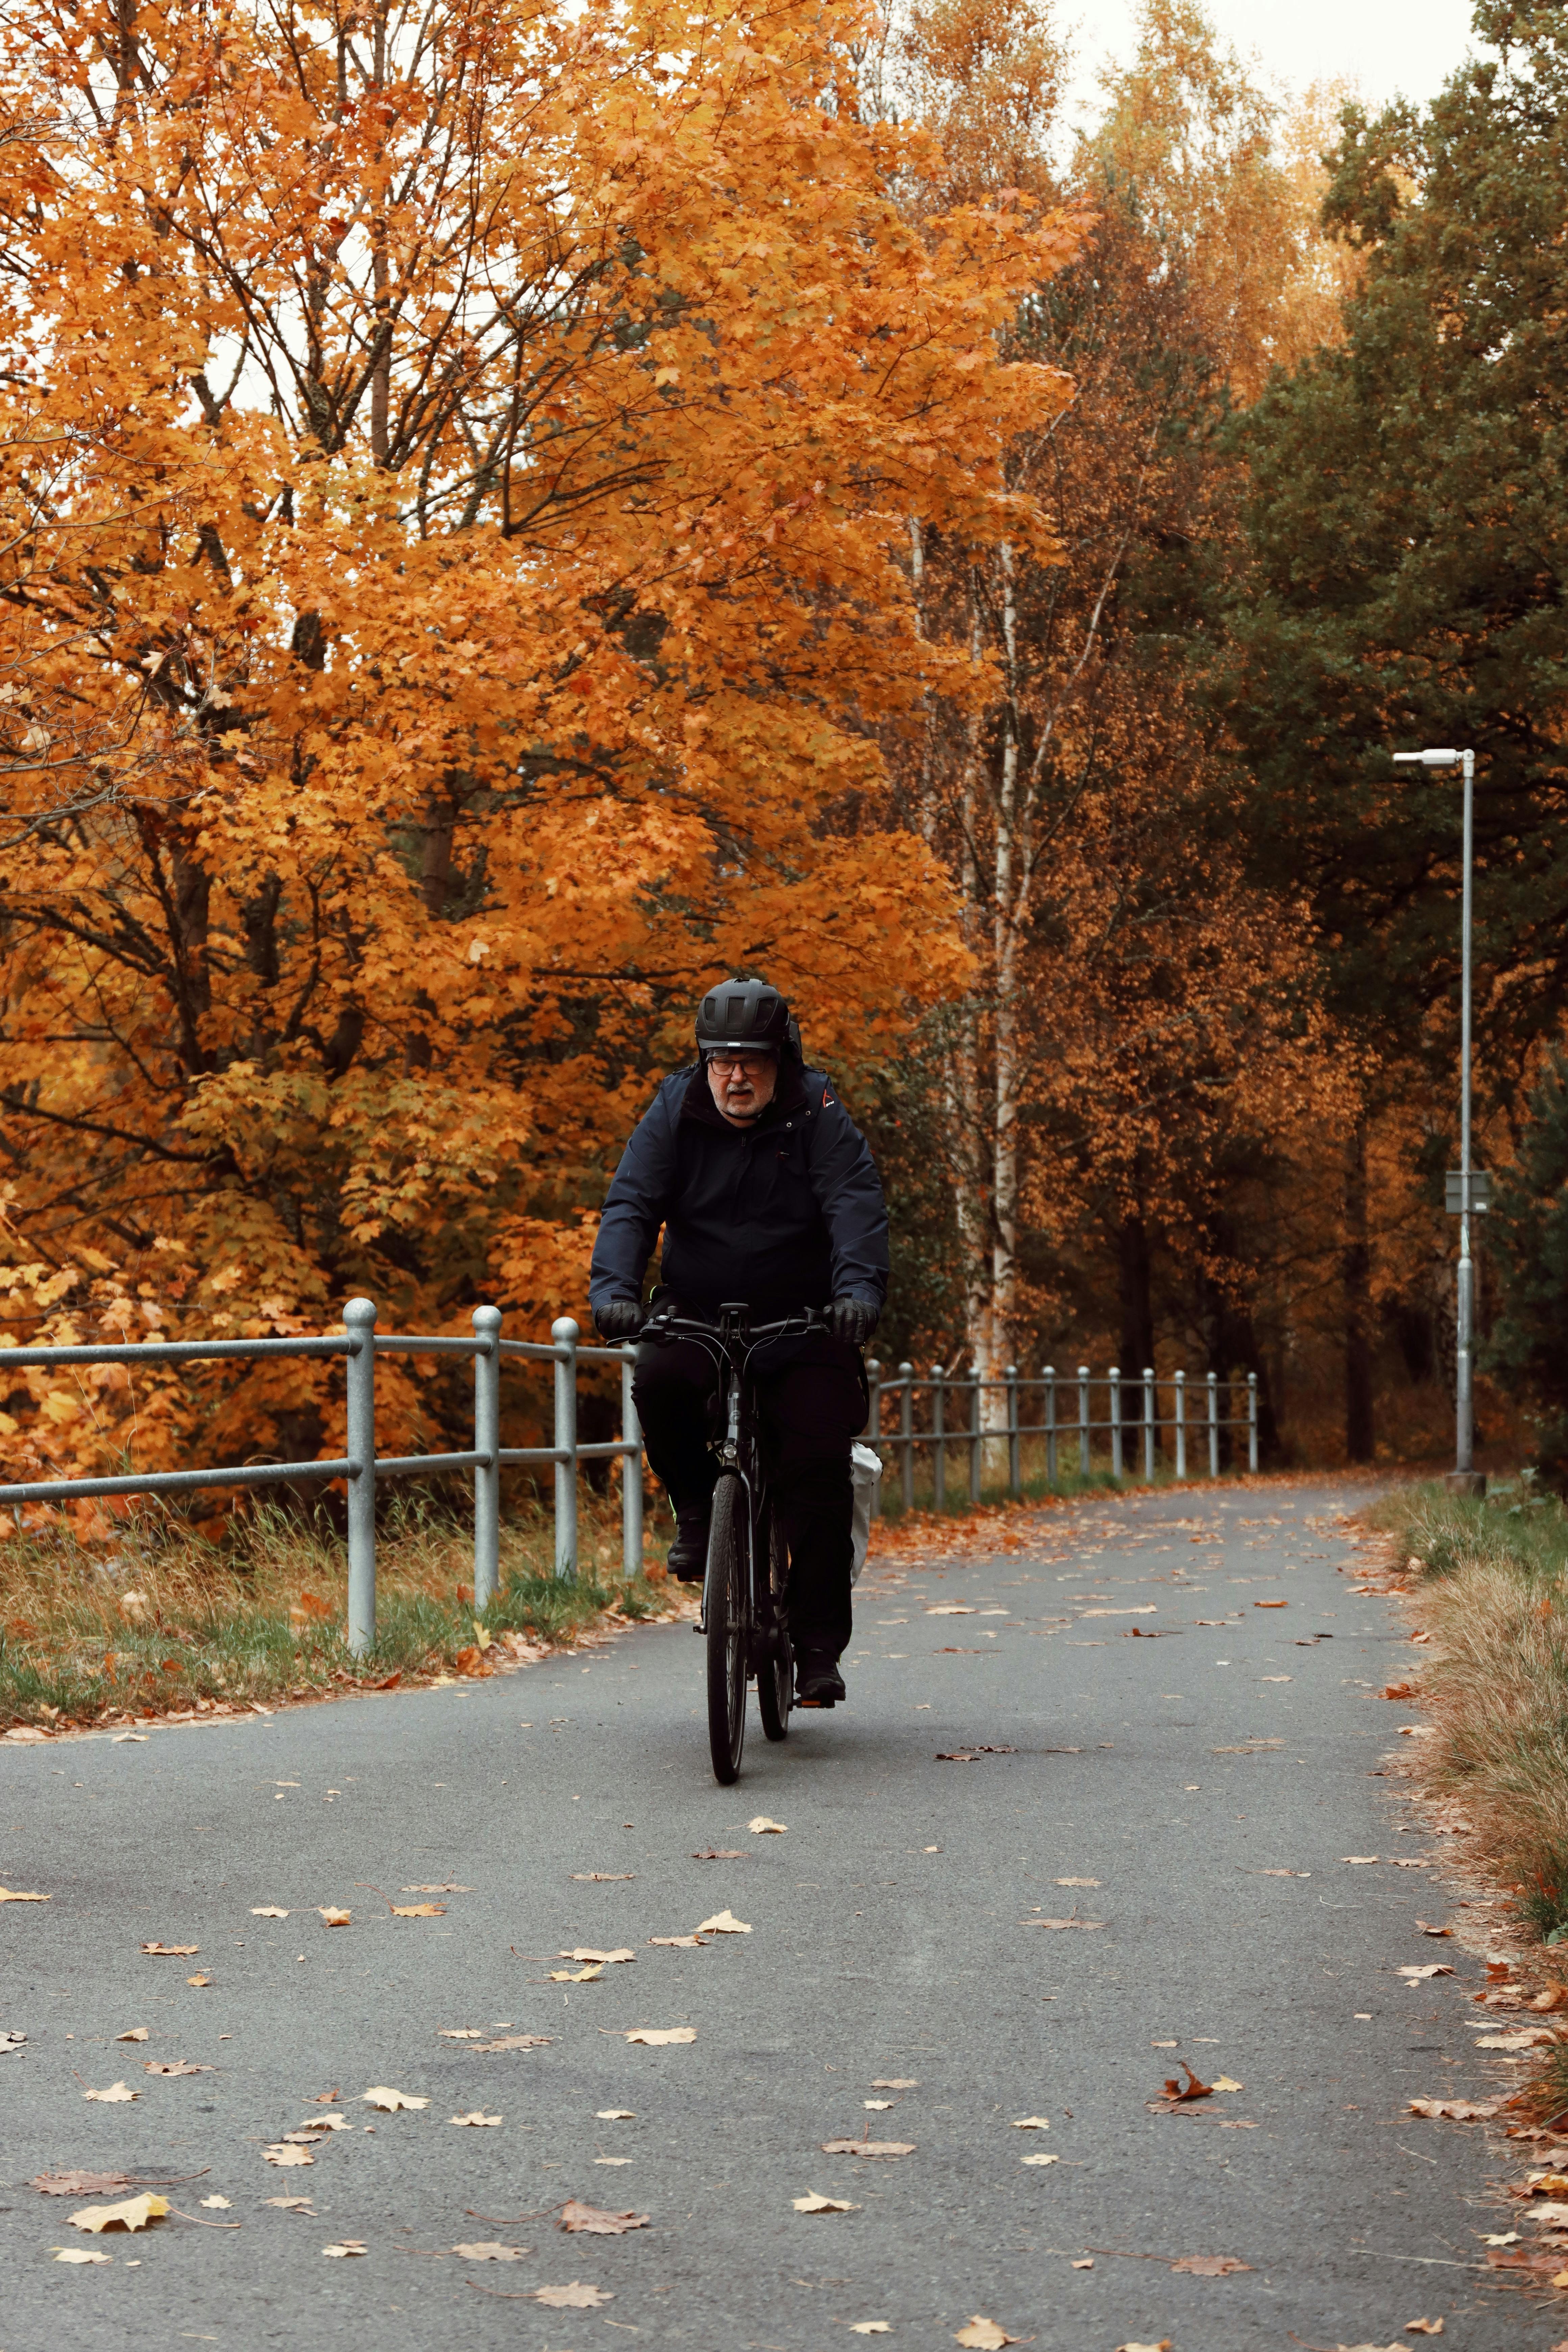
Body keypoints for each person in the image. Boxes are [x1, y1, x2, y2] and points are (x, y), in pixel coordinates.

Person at [587, 978, 887, 1707]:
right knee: (659, 1382)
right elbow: (631, 1202)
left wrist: (857, 1296)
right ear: (704, 1060)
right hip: (697, 1309)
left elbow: (855, 1206)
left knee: (817, 1467)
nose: (736, 1075)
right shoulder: (675, 1107)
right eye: (721, 1059)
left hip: (803, 1318)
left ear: (780, 1059)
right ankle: (697, 1510)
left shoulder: (817, 1113)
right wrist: (615, 1292)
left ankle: (817, 1647)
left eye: (751, 1059)